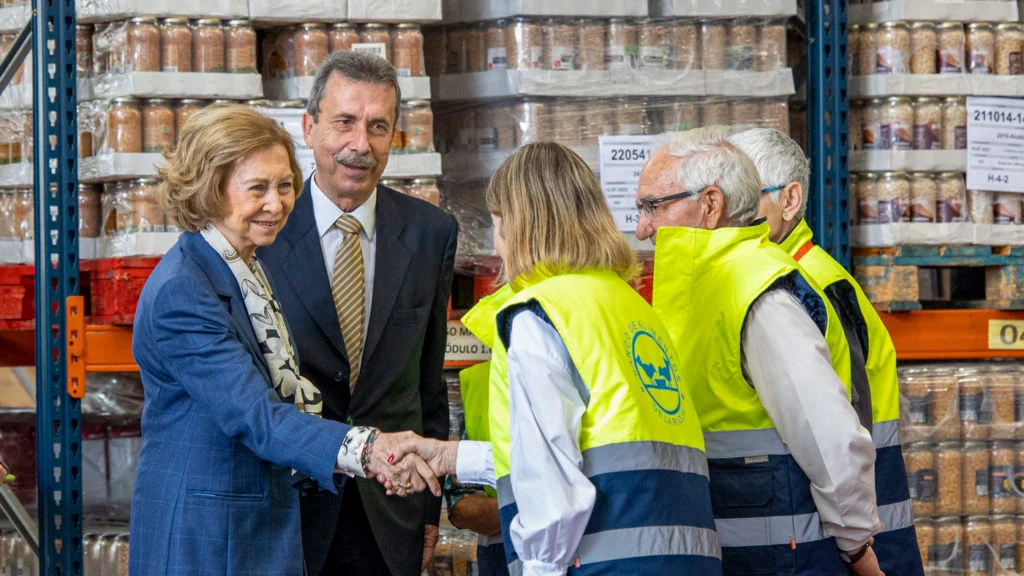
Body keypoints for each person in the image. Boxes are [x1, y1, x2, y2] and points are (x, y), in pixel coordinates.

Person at [129, 104, 438, 576]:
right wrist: (368, 450)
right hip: (207, 536)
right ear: (208, 188)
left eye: (285, 185)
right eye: (257, 189)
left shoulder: (244, 267)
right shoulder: (184, 290)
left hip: (252, 526)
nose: (276, 204)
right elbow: (255, 415)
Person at [389, 142, 723, 576]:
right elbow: (592, 449)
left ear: (518, 226)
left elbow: (551, 484)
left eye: (497, 225)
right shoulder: (631, 307)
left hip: (603, 565)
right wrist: (452, 457)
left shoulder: (539, 315)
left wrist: (540, 568)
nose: (497, 243)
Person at [634, 126, 885, 576]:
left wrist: (855, 546)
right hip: (731, 551)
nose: (642, 228)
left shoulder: (759, 291)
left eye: (654, 206)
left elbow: (827, 434)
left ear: (711, 204)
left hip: (779, 557)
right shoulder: (701, 288)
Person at [257, 51, 458, 576]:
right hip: (290, 508)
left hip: (390, 511)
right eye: (344, 122)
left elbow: (428, 383)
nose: (360, 144)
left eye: (377, 127)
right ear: (308, 128)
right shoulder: (262, 233)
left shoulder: (430, 233)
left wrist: (429, 511)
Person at [728, 127, 921, 576]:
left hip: (869, 539)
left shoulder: (812, 284)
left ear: (790, 200)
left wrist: (859, 550)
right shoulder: (771, 277)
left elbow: (843, 431)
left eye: (746, 197)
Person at [444, 284, 513, 576]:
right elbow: (459, 503)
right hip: (502, 556)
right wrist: (528, 510)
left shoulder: (597, 378)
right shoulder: (482, 384)